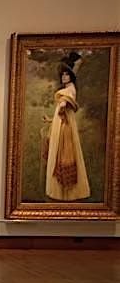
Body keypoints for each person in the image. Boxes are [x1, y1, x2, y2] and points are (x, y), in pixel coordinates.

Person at [44, 54, 90, 201]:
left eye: (67, 74)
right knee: (57, 153)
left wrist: (63, 104)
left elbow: (67, 103)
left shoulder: (71, 89)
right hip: (61, 124)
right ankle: (59, 191)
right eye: (62, 75)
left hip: (65, 127)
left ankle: (66, 192)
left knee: (64, 155)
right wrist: (51, 120)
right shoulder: (67, 88)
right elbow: (61, 110)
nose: (64, 77)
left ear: (71, 76)